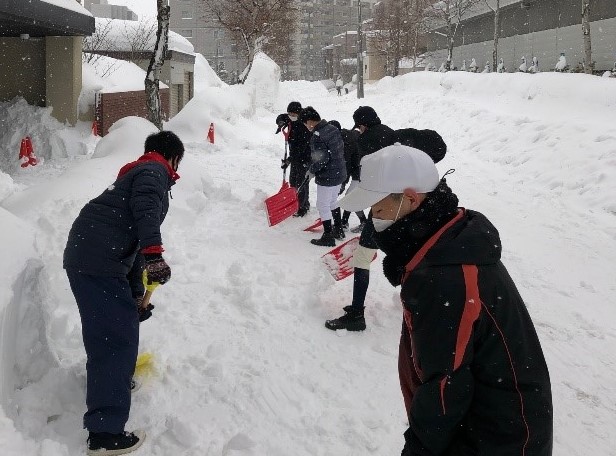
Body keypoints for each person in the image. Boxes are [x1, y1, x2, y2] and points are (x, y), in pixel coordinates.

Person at [338, 144, 553, 456]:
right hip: (481, 426)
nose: (373, 219)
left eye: (378, 207)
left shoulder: (445, 277)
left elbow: (445, 387)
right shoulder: (447, 240)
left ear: (410, 199)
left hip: (496, 439)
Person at [63, 130, 184, 455]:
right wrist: (156, 255)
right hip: (98, 258)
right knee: (115, 339)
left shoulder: (137, 173)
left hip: (95, 255)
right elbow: (145, 213)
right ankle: (104, 434)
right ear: (172, 157)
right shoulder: (153, 170)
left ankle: (111, 383)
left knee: (114, 329)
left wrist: (134, 295)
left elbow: (130, 245)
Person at [325, 106, 446, 331]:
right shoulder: (394, 134)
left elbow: (366, 181)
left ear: (361, 125)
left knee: (363, 256)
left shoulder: (367, 142)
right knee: (415, 259)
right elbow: (437, 146)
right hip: (415, 207)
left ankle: (357, 313)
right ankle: (423, 308)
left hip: (389, 206)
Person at [299, 106, 346, 246]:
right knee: (332, 201)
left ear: (310, 121)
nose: (306, 127)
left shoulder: (318, 136)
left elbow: (321, 159)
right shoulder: (332, 128)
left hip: (328, 176)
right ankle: (338, 229)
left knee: (322, 204)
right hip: (339, 172)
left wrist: (312, 171)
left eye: (305, 123)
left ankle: (328, 236)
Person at [327, 120, 366, 233]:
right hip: (354, 170)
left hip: (359, 172)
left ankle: (345, 223)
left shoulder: (346, 142)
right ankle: (353, 222)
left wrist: (343, 182)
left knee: (350, 197)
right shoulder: (340, 138)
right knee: (351, 197)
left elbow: (347, 163)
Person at [275, 101, 312, 216]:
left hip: (305, 156)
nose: (291, 116)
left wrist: (289, 160)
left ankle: (303, 207)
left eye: (294, 114)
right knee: (293, 181)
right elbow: (282, 117)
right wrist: (280, 121)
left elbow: (301, 148)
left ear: (299, 113)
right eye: (290, 114)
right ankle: (296, 201)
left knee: (302, 182)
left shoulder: (305, 125)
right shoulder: (291, 118)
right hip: (295, 156)